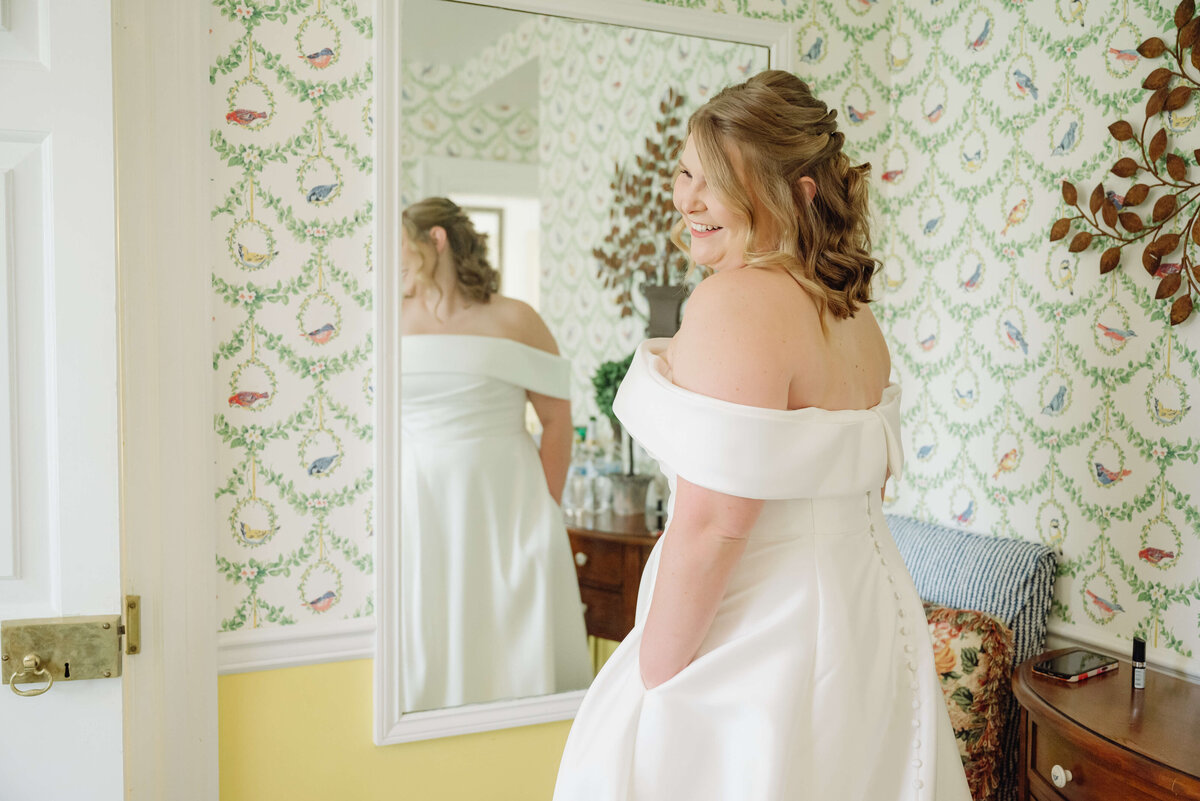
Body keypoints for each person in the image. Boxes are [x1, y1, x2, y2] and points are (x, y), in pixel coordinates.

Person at [553, 71, 971, 800]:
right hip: (869, 628)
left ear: (798, 193)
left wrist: (652, 675)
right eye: (686, 173)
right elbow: (868, 487)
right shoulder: (855, 318)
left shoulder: (734, 302)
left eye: (719, 182)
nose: (689, 200)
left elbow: (714, 522)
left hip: (756, 639)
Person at [399, 197, 592, 711]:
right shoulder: (386, 319)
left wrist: (544, 509)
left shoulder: (514, 318)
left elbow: (556, 422)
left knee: (510, 632)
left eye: (398, 243)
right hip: (419, 505)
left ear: (434, 239)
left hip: (507, 505)